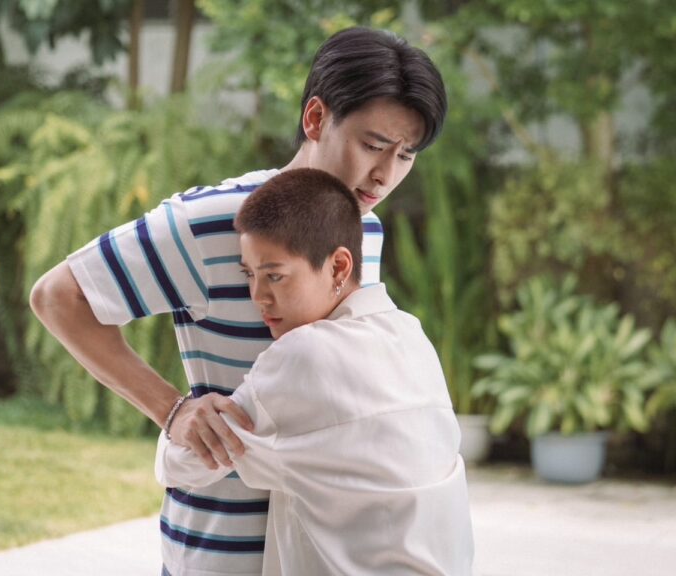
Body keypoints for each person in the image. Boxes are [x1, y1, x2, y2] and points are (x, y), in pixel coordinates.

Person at [30, 27, 448, 576]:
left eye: (405, 155)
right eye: (373, 145)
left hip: (324, 553)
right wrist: (172, 411)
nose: (385, 175)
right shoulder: (209, 222)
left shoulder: (363, 230)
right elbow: (58, 297)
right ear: (316, 118)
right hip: (221, 547)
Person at [156, 168, 474, 575]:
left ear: (339, 267)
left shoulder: (304, 354)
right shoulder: (411, 336)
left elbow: (185, 463)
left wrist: (179, 417)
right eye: (248, 275)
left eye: (275, 275)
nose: (258, 296)